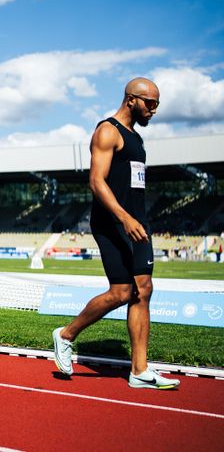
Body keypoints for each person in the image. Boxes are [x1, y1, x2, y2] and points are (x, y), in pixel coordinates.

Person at [53, 78, 180, 389]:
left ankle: (139, 370)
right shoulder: (107, 131)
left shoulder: (136, 139)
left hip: (138, 223)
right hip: (113, 223)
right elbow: (96, 181)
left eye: (157, 104)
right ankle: (66, 334)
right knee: (122, 292)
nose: (154, 110)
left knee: (144, 289)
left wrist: (137, 219)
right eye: (150, 103)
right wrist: (124, 218)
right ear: (130, 100)